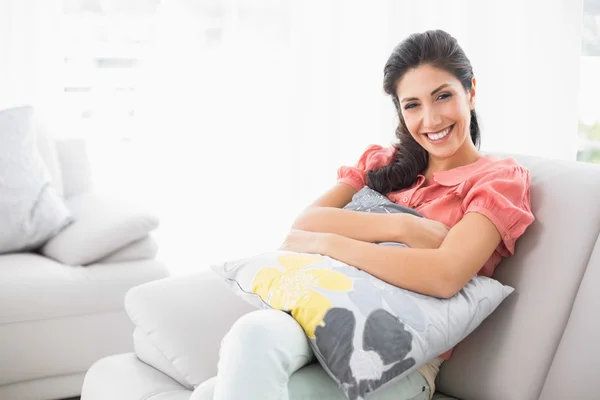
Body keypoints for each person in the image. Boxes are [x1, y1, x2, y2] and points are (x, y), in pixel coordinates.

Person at [192, 29, 535, 400]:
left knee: (215, 393)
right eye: (413, 105)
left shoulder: (498, 181)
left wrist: (325, 241)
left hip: (395, 354)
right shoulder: (382, 162)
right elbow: (305, 225)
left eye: (443, 96)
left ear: (470, 91)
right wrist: (401, 226)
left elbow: (444, 276)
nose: (431, 119)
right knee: (252, 336)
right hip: (320, 312)